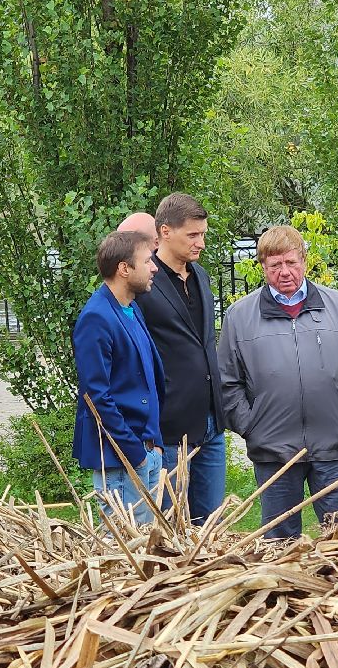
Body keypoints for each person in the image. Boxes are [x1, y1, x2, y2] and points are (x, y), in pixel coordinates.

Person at [218, 225, 338, 537]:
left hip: (334, 445)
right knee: (278, 542)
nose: (284, 272)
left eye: (291, 263)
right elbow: (228, 381)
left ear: (304, 260)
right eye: (275, 265)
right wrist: (251, 425)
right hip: (274, 451)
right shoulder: (240, 316)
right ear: (262, 267)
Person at [135, 192, 227, 523]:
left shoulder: (200, 276)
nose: (200, 242)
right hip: (170, 424)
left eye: (203, 234)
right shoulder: (144, 281)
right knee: (169, 525)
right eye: (193, 235)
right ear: (165, 232)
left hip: (211, 422)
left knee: (210, 525)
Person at [72, 231, 165, 523]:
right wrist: (133, 450)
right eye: (147, 260)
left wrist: (154, 441)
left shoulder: (131, 309)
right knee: (122, 552)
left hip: (146, 449)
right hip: (121, 458)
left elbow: (147, 380)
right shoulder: (96, 318)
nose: (154, 267)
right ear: (124, 269)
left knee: (149, 547)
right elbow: (96, 396)